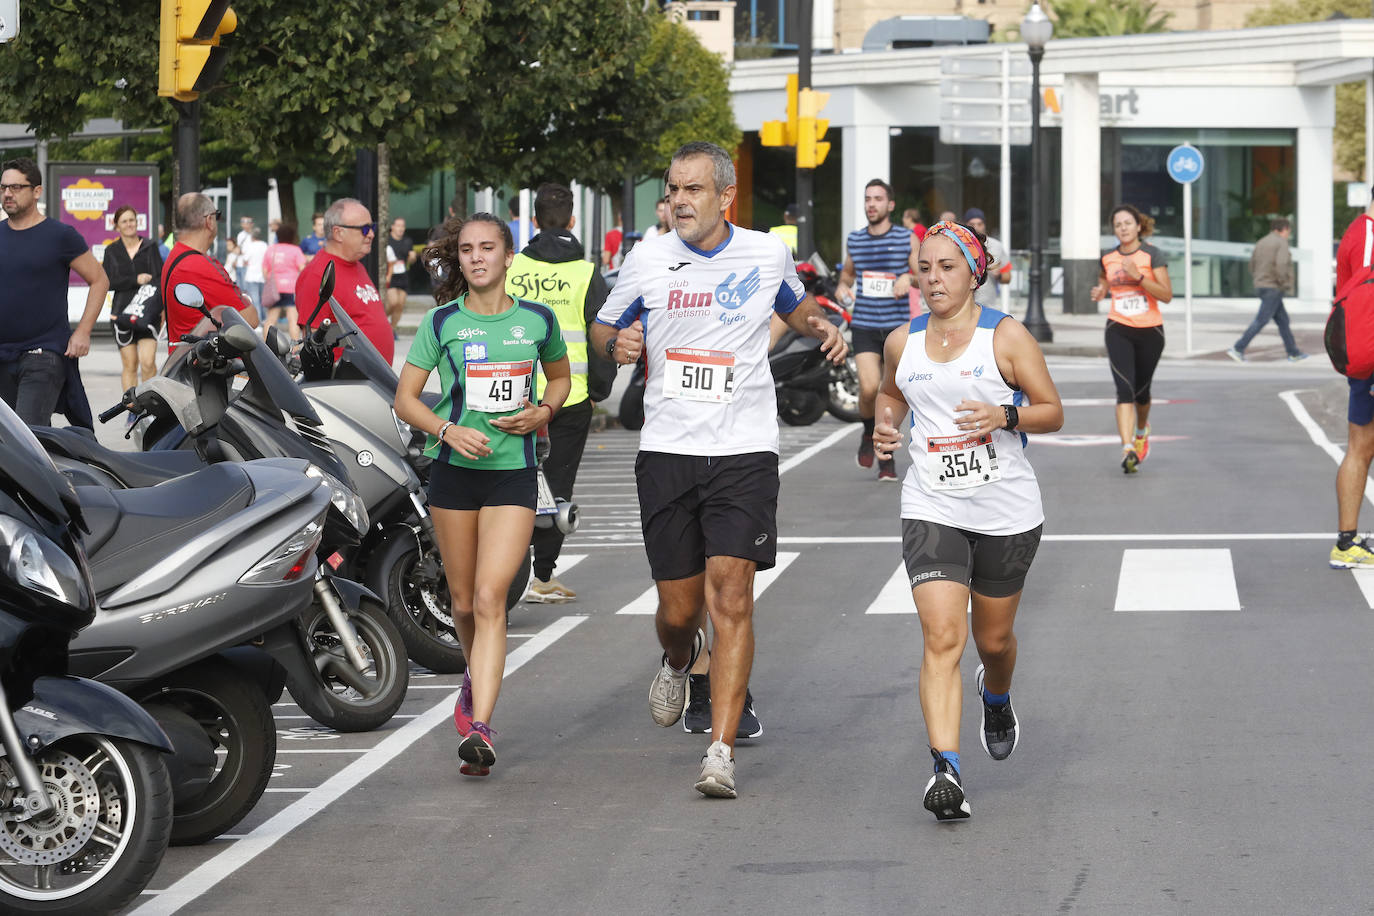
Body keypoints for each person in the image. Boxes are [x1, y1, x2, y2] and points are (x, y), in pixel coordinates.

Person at [590, 141, 847, 799]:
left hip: (744, 449)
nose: (679, 200)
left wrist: (823, 327)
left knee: (730, 593)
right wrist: (616, 342)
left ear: (725, 196)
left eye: (693, 189)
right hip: (669, 448)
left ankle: (720, 751)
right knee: (678, 611)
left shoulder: (766, 253)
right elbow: (604, 326)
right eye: (673, 189)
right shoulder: (648, 257)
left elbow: (797, 308)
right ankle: (683, 659)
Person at [872, 219, 1063, 821]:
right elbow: (893, 395)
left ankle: (997, 694)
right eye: (924, 268)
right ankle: (946, 771)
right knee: (943, 638)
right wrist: (884, 424)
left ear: (974, 272)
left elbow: (1052, 412)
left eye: (947, 267)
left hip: (1006, 508)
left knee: (994, 641)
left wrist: (1004, 415)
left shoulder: (1005, 338)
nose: (933, 278)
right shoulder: (903, 342)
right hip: (933, 503)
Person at [394, 213, 571, 776]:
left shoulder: (537, 320)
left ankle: (480, 726)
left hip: (513, 475)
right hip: (454, 475)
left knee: (494, 599)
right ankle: (475, 682)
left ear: (508, 257)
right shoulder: (442, 322)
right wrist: (446, 429)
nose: (476, 257)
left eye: (487, 248)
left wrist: (543, 411)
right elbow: (406, 399)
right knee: (464, 603)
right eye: (467, 249)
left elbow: (561, 378)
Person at [504, 183, 612, 604]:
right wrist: (600, 388)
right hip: (569, 397)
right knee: (557, 485)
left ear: (533, 221)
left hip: (513, 395)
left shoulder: (513, 270)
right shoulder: (586, 274)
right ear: (571, 221)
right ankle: (542, 577)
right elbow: (602, 334)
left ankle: (507, 569)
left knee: (509, 484)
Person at [0, 157, 107, 425]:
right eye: (2, 188)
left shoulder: (60, 235)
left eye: (15, 187)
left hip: (43, 354)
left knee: (26, 439)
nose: (7, 194)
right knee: (15, 447)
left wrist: (83, 331)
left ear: (36, 191)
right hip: (3, 354)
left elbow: (99, 279)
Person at [835, 178, 919, 481]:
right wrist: (842, 290)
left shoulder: (906, 238)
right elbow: (846, 276)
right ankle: (867, 432)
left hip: (897, 330)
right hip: (866, 325)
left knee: (891, 396)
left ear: (890, 205)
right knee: (869, 389)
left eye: (878, 199)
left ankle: (887, 460)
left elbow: (925, 275)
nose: (871, 204)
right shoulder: (855, 240)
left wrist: (909, 280)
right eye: (868, 199)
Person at [1089, 204, 1172, 474]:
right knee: (1124, 390)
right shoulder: (1108, 257)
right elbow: (1104, 278)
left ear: (1138, 226)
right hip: (1118, 327)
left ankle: (1140, 430)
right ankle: (1128, 449)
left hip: (1150, 331)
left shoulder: (1152, 254)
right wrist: (1101, 291)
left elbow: (1166, 294)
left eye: (1127, 223)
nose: (1123, 228)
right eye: (1118, 225)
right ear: (1114, 230)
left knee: (1141, 393)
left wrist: (1139, 278)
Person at [1329, 196, 1374, 567]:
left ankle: (1347, 543)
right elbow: (1365, 300)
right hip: (1372, 358)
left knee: (1360, 447)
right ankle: (1346, 545)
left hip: (1364, 360)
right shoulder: (1369, 236)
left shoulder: (1356, 231)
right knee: (1360, 448)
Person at [294, 198, 395, 364]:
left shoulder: (356, 265)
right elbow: (314, 343)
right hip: (347, 383)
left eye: (372, 227)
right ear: (338, 233)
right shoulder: (317, 274)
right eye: (365, 228)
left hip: (374, 381)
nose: (371, 234)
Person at [161, 193, 260, 351]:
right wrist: (243, 298)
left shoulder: (176, 255)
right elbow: (251, 319)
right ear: (209, 221)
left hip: (184, 358)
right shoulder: (200, 265)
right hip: (207, 366)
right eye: (217, 215)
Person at [102, 205, 164, 394]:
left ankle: (149, 408)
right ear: (117, 226)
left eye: (132, 220)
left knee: (147, 362)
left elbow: (160, 278)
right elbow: (108, 282)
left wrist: (162, 311)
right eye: (124, 221)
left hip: (148, 313)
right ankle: (131, 408)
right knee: (130, 365)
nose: (129, 224)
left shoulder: (150, 246)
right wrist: (134, 280)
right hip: (121, 314)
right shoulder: (111, 250)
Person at [1226, 218, 1306, 363]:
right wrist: (1284, 282)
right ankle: (1238, 348)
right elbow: (1281, 265)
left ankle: (1293, 352)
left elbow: (1251, 265)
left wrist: (1259, 279)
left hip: (1261, 285)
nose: (1288, 234)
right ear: (1284, 229)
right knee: (1261, 320)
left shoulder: (1261, 242)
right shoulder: (1281, 242)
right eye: (1288, 231)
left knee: (1283, 321)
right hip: (1273, 287)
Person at [263, 222, 307, 341]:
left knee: (271, 319)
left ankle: (266, 347)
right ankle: (295, 348)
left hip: (274, 288)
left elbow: (265, 271)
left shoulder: (271, 249)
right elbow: (302, 269)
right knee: (293, 319)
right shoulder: (295, 250)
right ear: (292, 236)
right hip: (291, 288)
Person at [963, 208, 1012, 309]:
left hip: (987, 305)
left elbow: (1007, 277)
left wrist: (999, 275)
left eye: (980, 224)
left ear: (984, 225)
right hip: (963, 304)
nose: (976, 227)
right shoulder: (959, 245)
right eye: (972, 224)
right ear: (966, 225)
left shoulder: (996, 246)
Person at [384, 217, 417, 334]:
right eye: (398, 226)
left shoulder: (407, 241)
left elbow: (410, 260)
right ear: (392, 227)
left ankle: (391, 330)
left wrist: (412, 257)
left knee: (400, 305)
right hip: (390, 275)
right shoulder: (387, 241)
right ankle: (381, 321)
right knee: (393, 302)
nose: (401, 228)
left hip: (403, 275)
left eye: (403, 226)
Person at [241, 227, 268, 321]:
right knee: (261, 299)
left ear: (252, 237)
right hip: (262, 277)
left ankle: (259, 320)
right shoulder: (265, 245)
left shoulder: (250, 246)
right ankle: (264, 319)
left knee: (254, 300)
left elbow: (245, 259)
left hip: (251, 276)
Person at [234, 216, 254, 286]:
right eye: (243, 222)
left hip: (248, 264)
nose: (245, 224)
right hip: (239, 263)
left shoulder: (253, 235)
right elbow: (239, 248)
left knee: (246, 287)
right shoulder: (240, 235)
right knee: (240, 287)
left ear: (252, 224)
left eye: (247, 222)